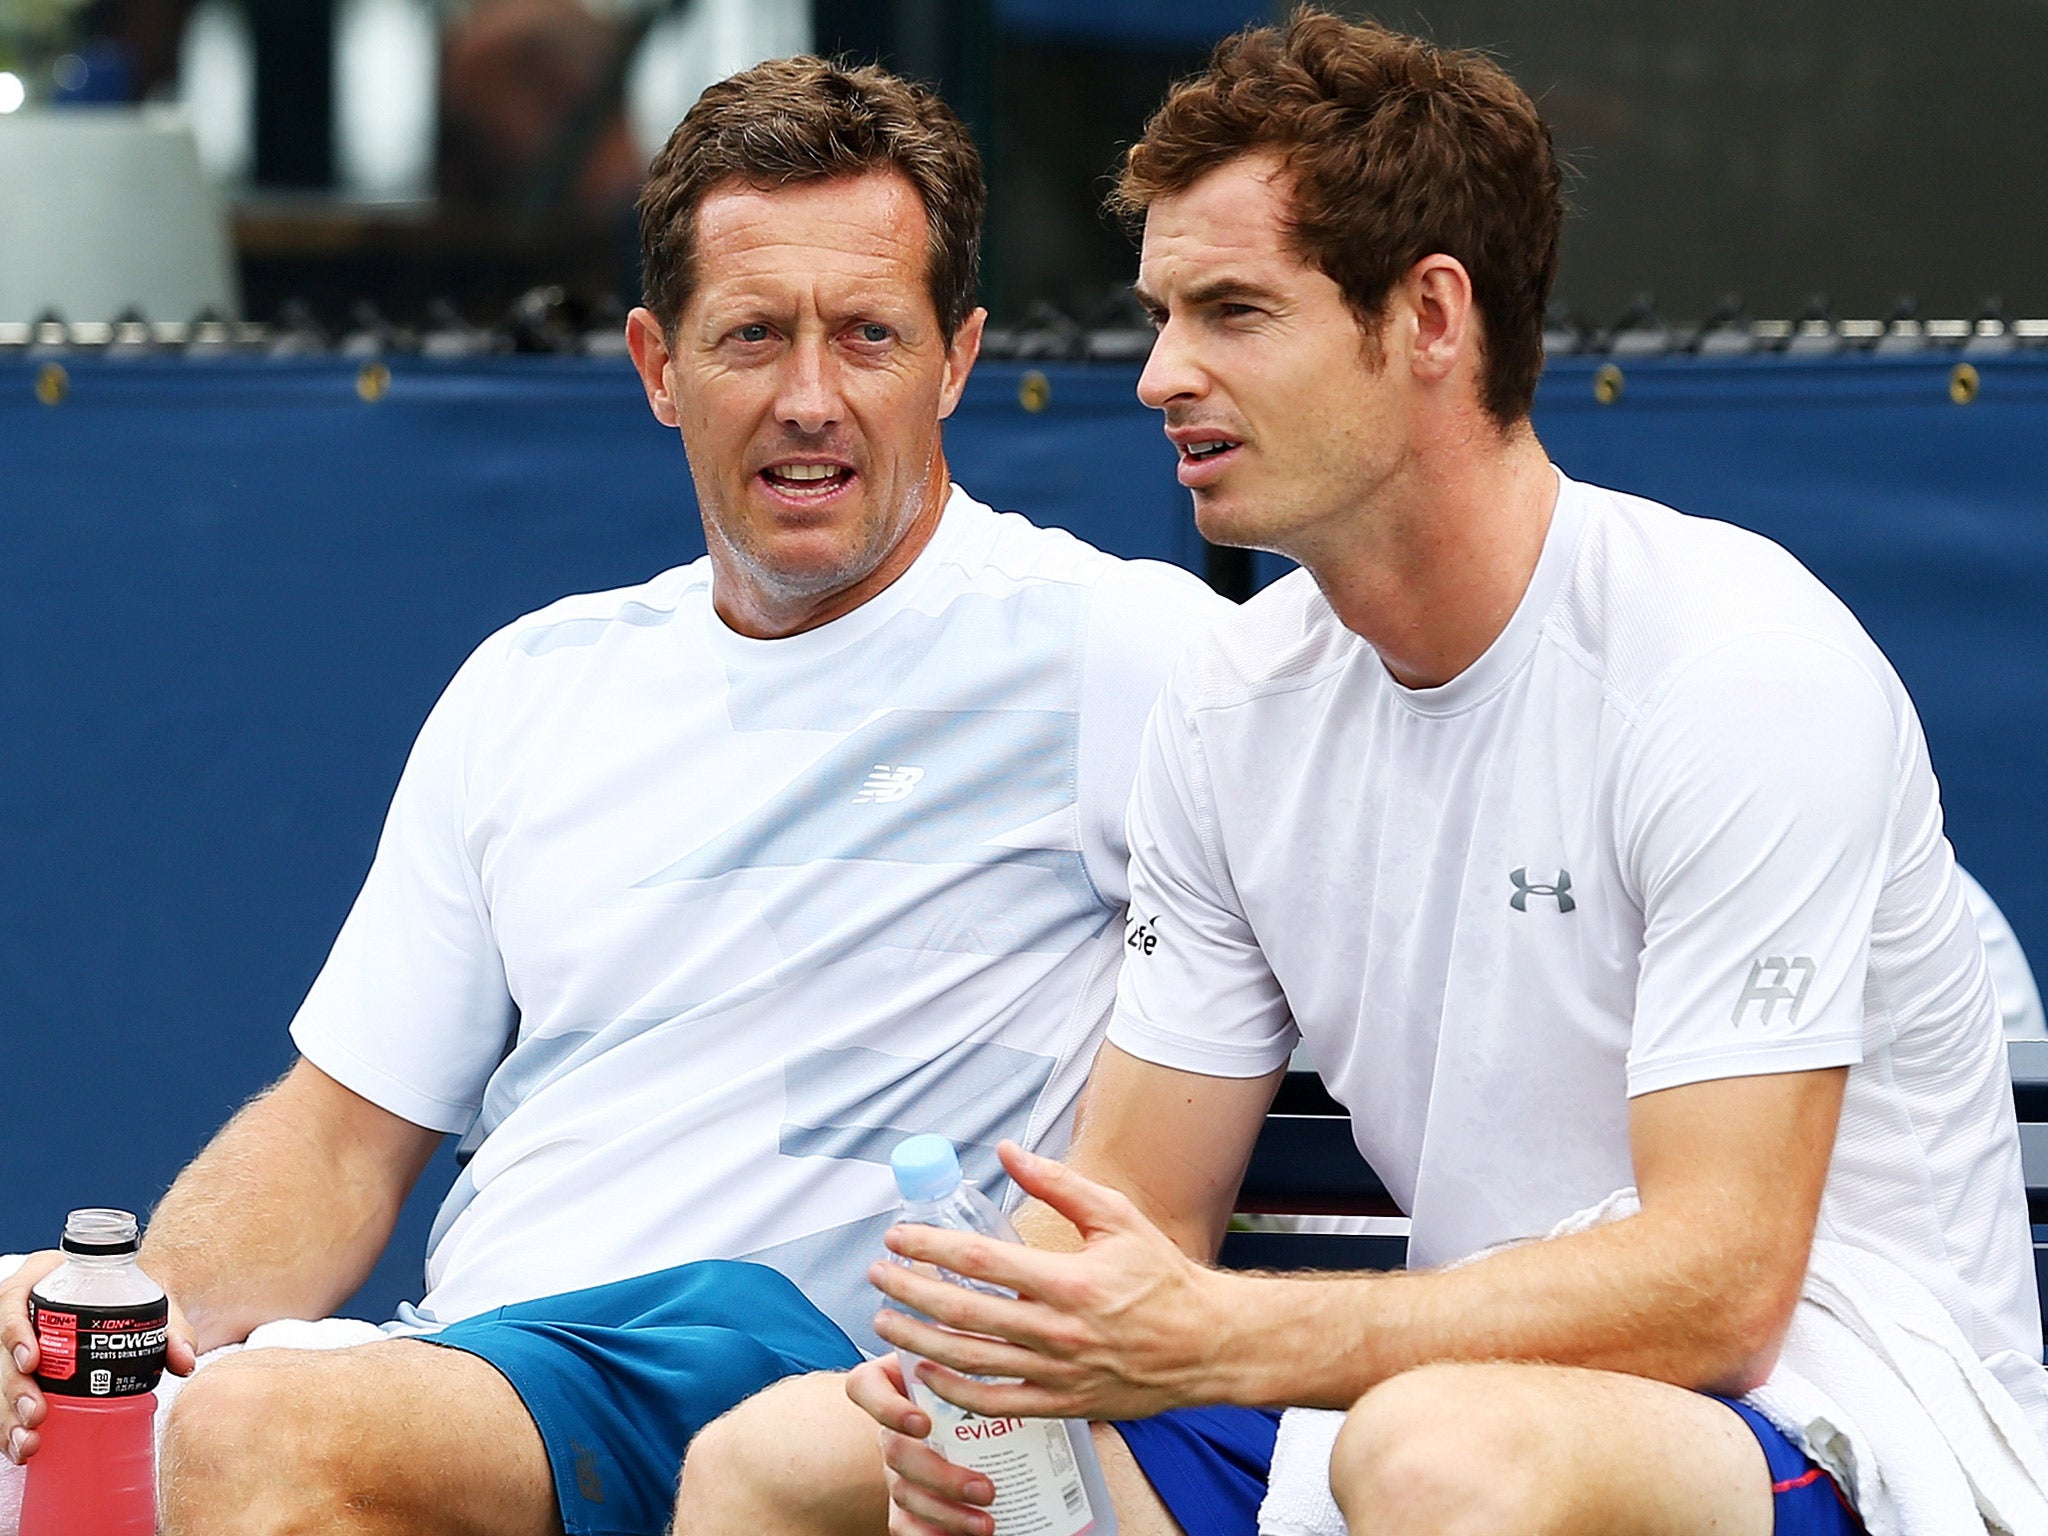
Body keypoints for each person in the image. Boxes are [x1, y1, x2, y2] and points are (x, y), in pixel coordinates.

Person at [683, 13, 2048, 1536]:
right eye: (1160, 314)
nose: (1160, 376)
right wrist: (1009, 1357)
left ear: (1431, 318)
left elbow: (1722, 1292)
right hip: (1425, 1408)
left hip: (1843, 1423)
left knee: (1440, 1453)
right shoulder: (1233, 699)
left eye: (1233, 312)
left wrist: (1229, 1339)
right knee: (781, 1464)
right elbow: (1131, 1214)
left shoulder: (1737, 661)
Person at [0, 56, 1230, 1536]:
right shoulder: (535, 683)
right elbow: (336, 1144)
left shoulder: (1124, 649)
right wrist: (108, 1313)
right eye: (753, 336)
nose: (810, 400)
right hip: (484, 1388)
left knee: (261, 1430)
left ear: (958, 360)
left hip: (799, 1383)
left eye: (868, 336)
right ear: (657, 366)